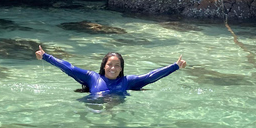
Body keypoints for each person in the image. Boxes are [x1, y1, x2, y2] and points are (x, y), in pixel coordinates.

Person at [35, 45, 186, 95]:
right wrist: (46, 56)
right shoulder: (92, 78)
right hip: (95, 112)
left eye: (117, 65)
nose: (113, 68)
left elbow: (151, 76)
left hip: (118, 115)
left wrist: (175, 66)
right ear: (104, 66)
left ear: (121, 69)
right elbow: (69, 68)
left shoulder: (127, 82)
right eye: (110, 65)